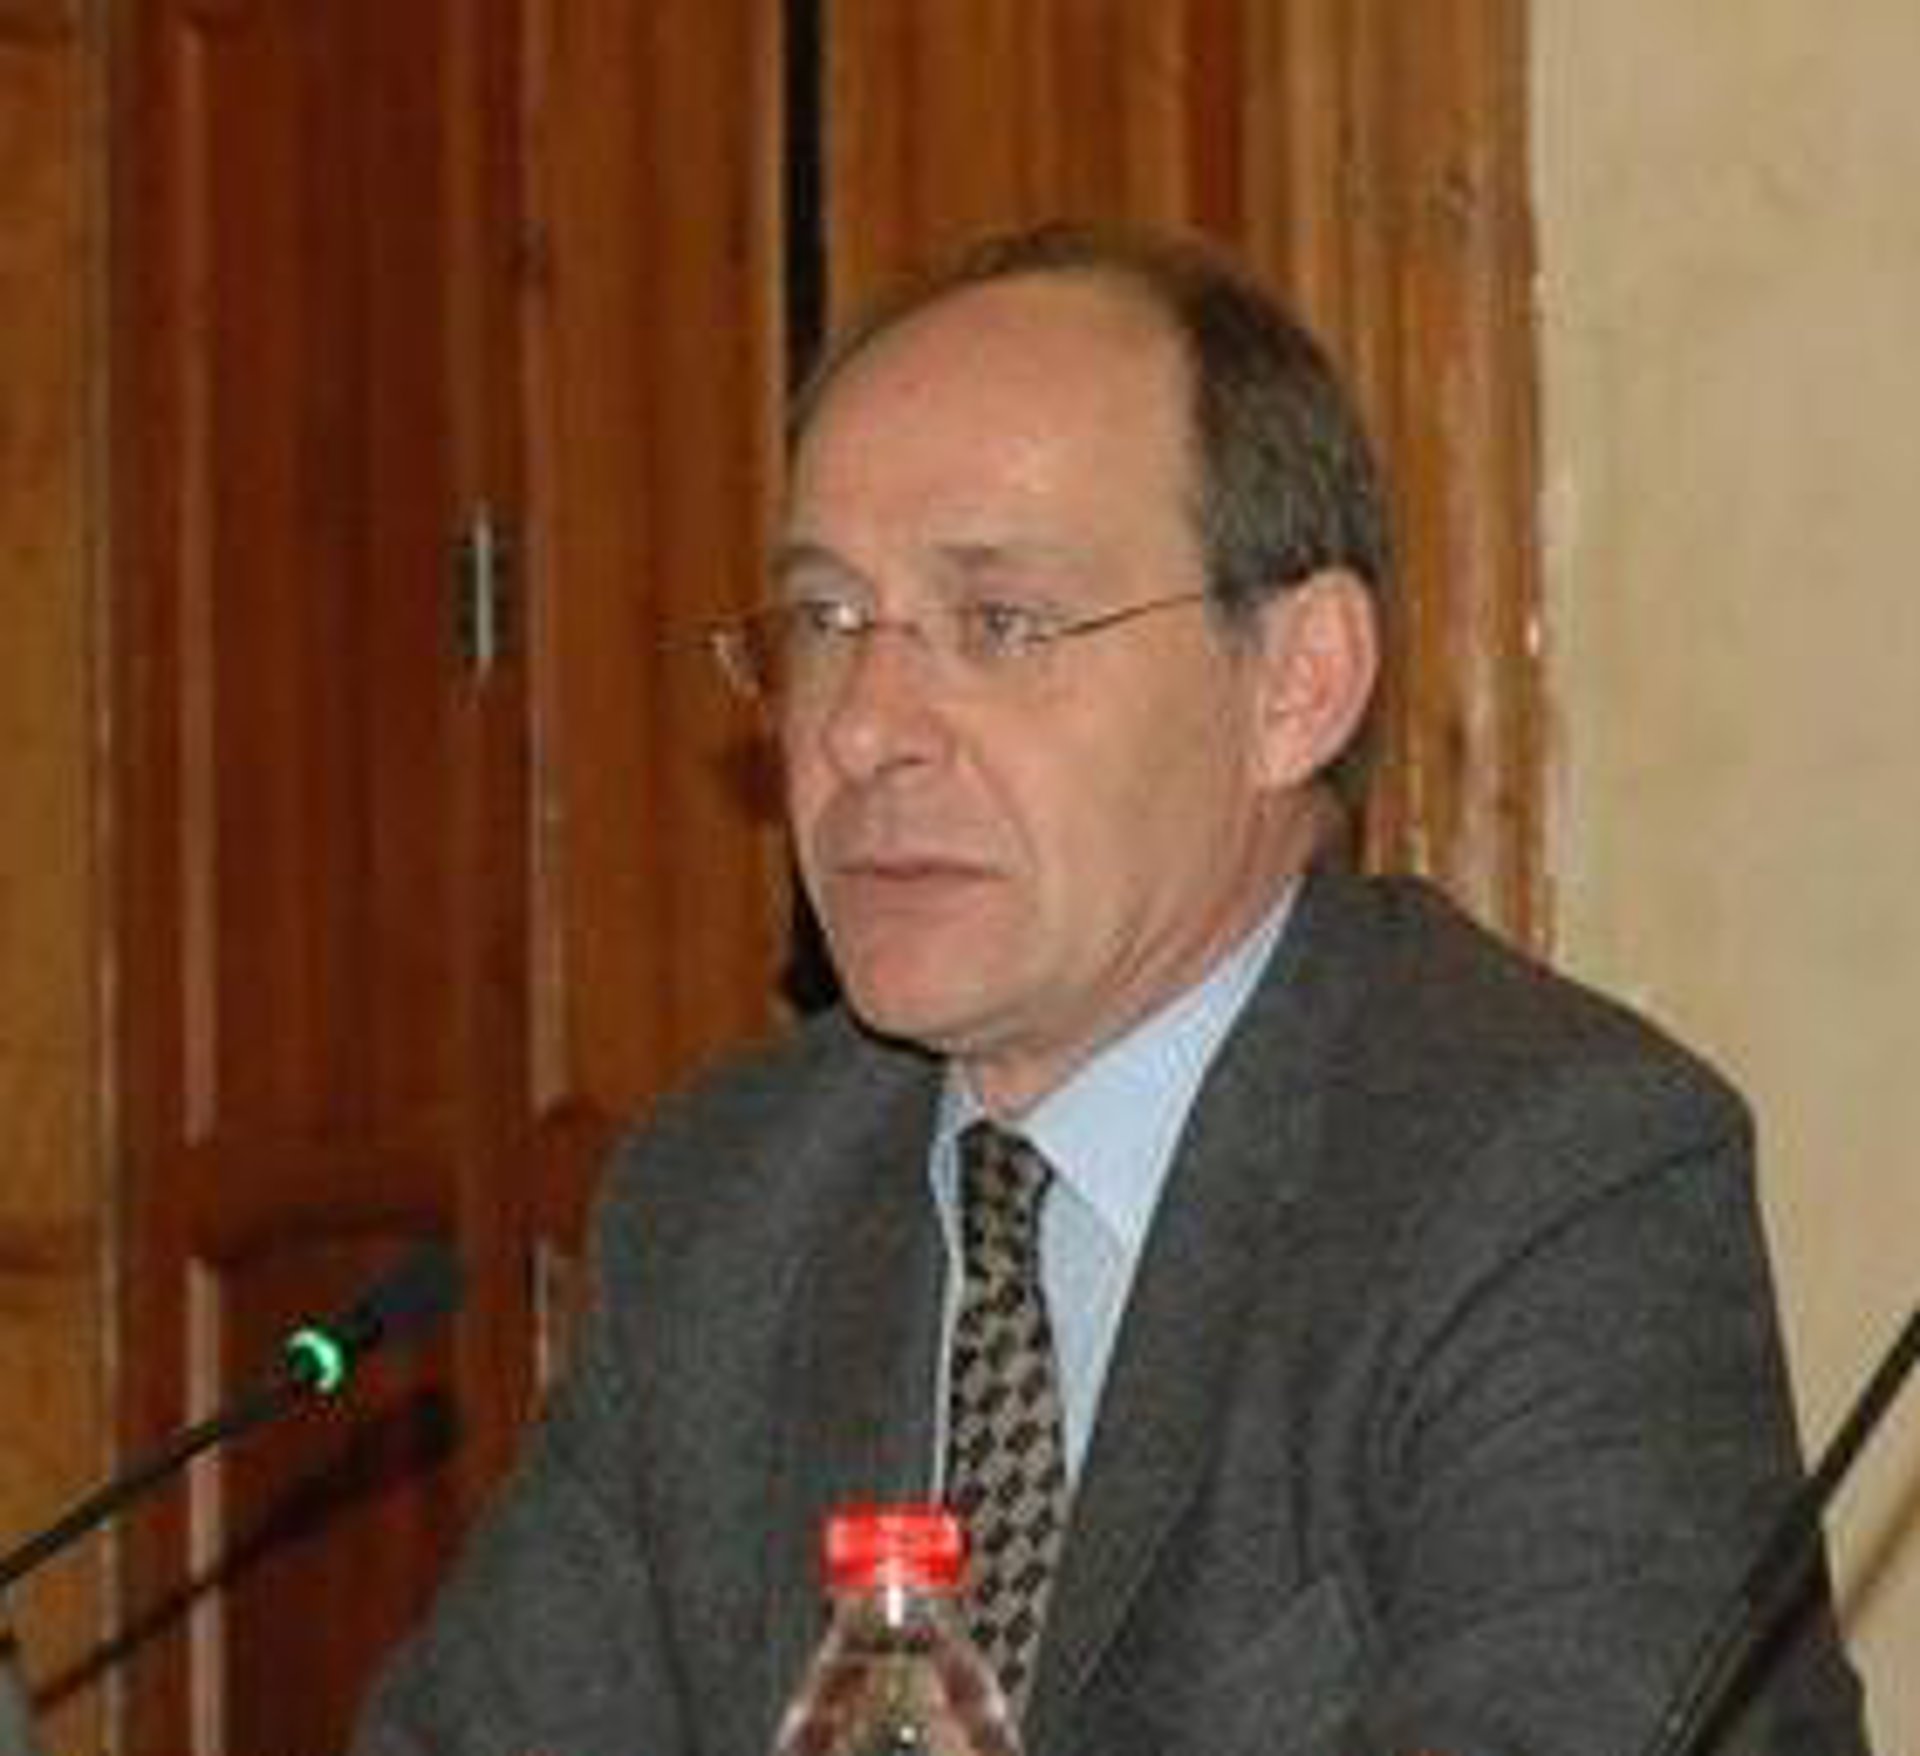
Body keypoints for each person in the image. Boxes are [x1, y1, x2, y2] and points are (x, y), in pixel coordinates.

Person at [350, 224, 1871, 1756]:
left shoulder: (1545, 1179)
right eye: (826, 622)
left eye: (1000, 624)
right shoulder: (730, 1200)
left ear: (1297, 682)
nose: (864, 728)